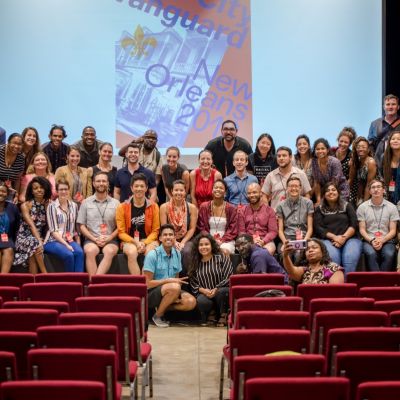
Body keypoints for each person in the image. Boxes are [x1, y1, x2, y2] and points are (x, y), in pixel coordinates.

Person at [143, 224, 197, 328]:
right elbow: (147, 283)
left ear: (175, 237)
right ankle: (158, 316)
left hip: (171, 290)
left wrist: (175, 293)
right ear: (160, 238)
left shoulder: (177, 253)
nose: (168, 237)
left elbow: (176, 279)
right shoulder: (152, 255)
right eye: (165, 235)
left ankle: (162, 308)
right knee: (174, 287)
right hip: (151, 293)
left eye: (171, 235)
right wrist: (168, 281)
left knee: (191, 302)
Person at [116, 173, 160, 275]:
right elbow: (121, 232)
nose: (139, 189)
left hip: (149, 240)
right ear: (131, 188)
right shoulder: (122, 207)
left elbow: (156, 231)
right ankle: (137, 282)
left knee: (150, 253)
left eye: (142, 186)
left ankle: (145, 282)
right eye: (136, 186)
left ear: (146, 188)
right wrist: (136, 243)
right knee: (132, 253)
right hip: (130, 240)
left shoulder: (154, 206)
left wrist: (144, 243)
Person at [313, 182, 362, 274]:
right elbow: (319, 228)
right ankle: (336, 282)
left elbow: (354, 224)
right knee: (333, 258)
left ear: (338, 192)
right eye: (327, 191)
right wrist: (335, 237)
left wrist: (343, 238)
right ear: (324, 194)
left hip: (350, 238)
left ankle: (347, 282)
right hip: (328, 240)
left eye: (333, 190)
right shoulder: (319, 209)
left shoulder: (347, 205)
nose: (331, 192)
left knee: (349, 258)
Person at [77, 171, 120, 276]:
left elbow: (120, 227)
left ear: (108, 183)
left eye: (104, 181)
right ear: (93, 183)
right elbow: (81, 225)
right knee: (90, 251)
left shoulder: (116, 203)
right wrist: (94, 239)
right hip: (91, 239)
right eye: (98, 181)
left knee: (109, 251)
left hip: (110, 239)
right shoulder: (86, 202)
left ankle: (94, 281)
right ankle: (95, 282)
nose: (101, 183)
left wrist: (109, 238)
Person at [188, 232, 233, 326]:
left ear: (212, 245)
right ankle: (212, 313)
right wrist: (203, 290)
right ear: (197, 247)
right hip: (206, 293)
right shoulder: (195, 262)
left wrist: (216, 288)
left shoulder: (221, 257)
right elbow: (193, 283)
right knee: (201, 300)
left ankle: (223, 314)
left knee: (223, 292)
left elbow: (229, 276)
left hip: (220, 291)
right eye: (201, 245)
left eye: (206, 244)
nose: (204, 247)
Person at [357, 179, 398, 271]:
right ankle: (376, 279)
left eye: (379, 187)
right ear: (370, 191)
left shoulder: (392, 207)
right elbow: (362, 229)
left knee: (389, 254)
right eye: (373, 187)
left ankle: (381, 278)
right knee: (371, 254)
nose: (376, 189)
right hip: (368, 240)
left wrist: (382, 240)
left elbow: (393, 231)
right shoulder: (362, 207)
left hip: (387, 240)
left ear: (383, 190)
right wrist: (372, 240)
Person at [43, 179, 84, 273]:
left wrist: (78, 243)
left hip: (69, 239)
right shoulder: (51, 206)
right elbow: (53, 231)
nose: (63, 191)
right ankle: (69, 280)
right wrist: (66, 245)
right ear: (57, 191)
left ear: (69, 190)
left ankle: (78, 280)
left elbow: (76, 228)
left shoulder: (74, 206)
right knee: (68, 255)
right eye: (61, 189)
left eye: (65, 189)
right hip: (53, 240)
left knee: (80, 252)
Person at [13, 177, 52, 274]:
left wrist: (43, 239)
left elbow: (50, 224)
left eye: (41, 187)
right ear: (32, 191)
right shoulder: (25, 205)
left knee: (32, 255)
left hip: (38, 237)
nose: (39, 190)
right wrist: (39, 241)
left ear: (46, 189)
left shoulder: (48, 204)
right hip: (23, 237)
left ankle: (33, 280)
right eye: (35, 188)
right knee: (35, 245)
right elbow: (31, 225)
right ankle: (45, 274)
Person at [160, 180, 198, 273]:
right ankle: (169, 277)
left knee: (186, 251)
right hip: (168, 237)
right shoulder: (164, 207)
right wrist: (174, 241)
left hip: (187, 239)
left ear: (185, 192)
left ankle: (187, 278)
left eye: (181, 190)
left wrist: (182, 243)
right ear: (172, 191)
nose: (179, 193)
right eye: (176, 190)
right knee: (170, 249)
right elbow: (164, 228)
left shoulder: (192, 208)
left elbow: (192, 228)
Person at [262, 146, 311, 210]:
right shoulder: (271, 176)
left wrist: (304, 211)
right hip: (276, 214)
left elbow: (307, 195)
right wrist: (268, 212)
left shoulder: (301, 174)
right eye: (279, 156)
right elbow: (264, 195)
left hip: (297, 214)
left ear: (290, 157)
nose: (281, 158)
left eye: (284, 156)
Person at [197, 179, 238, 255]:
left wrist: (221, 240)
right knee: (206, 249)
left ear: (225, 192)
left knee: (223, 251)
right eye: (216, 187)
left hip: (226, 240)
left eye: (221, 188)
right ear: (212, 190)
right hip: (207, 238)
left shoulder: (231, 208)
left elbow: (232, 229)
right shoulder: (204, 207)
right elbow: (201, 228)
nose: (218, 189)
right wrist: (211, 240)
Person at [276, 176, 314, 257]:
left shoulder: (308, 203)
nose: (293, 188)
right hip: (287, 238)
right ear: (287, 188)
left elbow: (310, 228)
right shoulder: (280, 205)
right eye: (291, 186)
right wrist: (285, 242)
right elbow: (280, 230)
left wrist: (303, 242)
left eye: (296, 186)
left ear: (300, 188)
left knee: (299, 255)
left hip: (304, 237)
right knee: (285, 255)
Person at [238, 183, 278, 255]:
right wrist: (250, 241)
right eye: (249, 193)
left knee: (266, 252)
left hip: (266, 241)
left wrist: (263, 241)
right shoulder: (242, 211)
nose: (251, 195)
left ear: (260, 193)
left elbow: (273, 231)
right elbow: (241, 232)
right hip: (247, 241)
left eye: (254, 192)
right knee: (245, 249)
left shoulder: (269, 211)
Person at [311, 138, 349, 206]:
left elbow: (334, 184)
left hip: (339, 191)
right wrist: (319, 200)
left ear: (328, 150)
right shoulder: (314, 162)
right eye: (317, 149)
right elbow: (316, 182)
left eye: (323, 148)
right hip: (325, 192)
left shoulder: (335, 162)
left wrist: (322, 201)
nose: (320, 151)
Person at [349, 137, 377, 207]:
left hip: (374, 192)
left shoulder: (371, 162)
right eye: (358, 147)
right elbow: (357, 181)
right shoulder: (357, 161)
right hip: (362, 192)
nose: (360, 149)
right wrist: (358, 199)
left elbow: (369, 185)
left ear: (368, 150)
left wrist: (364, 204)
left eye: (363, 147)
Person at [0, 182, 20, 273]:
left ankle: (3, 279)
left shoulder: (13, 208)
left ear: (7, 194)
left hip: (7, 238)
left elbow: (17, 226)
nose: (0, 193)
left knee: (9, 249)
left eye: (3, 191)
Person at [0, 133, 25, 202]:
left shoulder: (21, 158)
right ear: (8, 142)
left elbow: (17, 179)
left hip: (8, 191)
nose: (16, 146)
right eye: (14, 143)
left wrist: (16, 195)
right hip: (3, 189)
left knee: (11, 205)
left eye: (19, 144)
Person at [381, 130, 400, 204]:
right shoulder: (384, 157)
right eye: (393, 139)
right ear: (389, 142)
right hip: (387, 194)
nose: (395, 141)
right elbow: (380, 176)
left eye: (399, 139)